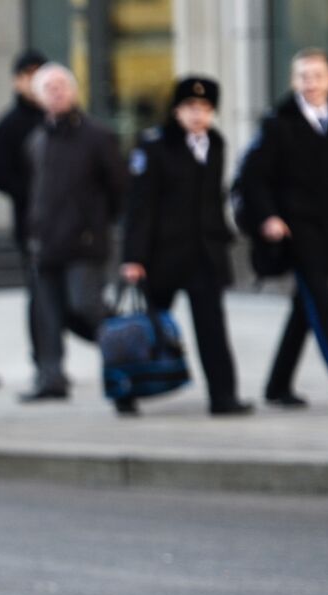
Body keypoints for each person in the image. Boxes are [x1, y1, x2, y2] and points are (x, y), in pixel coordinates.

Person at [234, 48, 328, 411]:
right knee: (322, 303)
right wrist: (268, 217)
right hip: (292, 229)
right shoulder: (277, 123)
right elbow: (252, 178)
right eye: (304, 76)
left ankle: (276, 385)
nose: (311, 83)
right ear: (294, 81)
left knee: (305, 309)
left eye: (318, 76)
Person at [120, 76, 253, 417]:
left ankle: (224, 397)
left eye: (205, 109)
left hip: (205, 255)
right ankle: (126, 389)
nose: (198, 115)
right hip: (162, 255)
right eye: (191, 108)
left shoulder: (216, 144)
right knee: (146, 327)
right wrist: (133, 257)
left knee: (212, 328)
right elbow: (140, 207)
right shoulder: (154, 147)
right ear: (177, 110)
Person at [21, 63, 126, 401]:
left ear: (74, 91)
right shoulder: (37, 140)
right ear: (38, 97)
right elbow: (35, 191)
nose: (56, 92)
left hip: (85, 242)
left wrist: (99, 226)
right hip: (46, 242)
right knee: (48, 316)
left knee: (86, 307)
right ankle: (51, 379)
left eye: (62, 85)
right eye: (48, 87)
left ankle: (128, 350)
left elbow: (119, 189)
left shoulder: (98, 135)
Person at [0, 49, 47, 368]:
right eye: (29, 75)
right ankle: (45, 362)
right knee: (39, 294)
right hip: (30, 223)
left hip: (70, 225)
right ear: (17, 82)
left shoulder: (64, 121)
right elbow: (2, 178)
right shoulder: (7, 127)